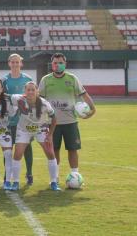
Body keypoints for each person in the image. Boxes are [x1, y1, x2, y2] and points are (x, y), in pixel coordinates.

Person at [38, 52, 96, 183]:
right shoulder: (45, 80)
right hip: (52, 123)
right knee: (54, 150)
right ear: (51, 65)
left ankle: (75, 175)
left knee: (73, 149)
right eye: (55, 63)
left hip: (71, 121)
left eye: (60, 63)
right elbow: (39, 100)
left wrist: (93, 108)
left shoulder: (72, 79)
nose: (58, 65)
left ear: (65, 64)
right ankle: (55, 176)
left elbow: (84, 95)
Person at [10, 82, 60, 191]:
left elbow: (54, 118)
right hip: (24, 130)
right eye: (28, 90)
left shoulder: (44, 104)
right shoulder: (18, 99)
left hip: (40, 129)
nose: (31, 92)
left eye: (33, 90)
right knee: (17, 154)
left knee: (50, 153)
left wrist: (50, 135)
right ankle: (16, 182)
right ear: (25, 91)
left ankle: (54, 182)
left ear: (37, 91)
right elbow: (3, 96)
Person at [2, 54, 34, 185]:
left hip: (25, 119)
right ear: (9, 63)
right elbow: (1, 95)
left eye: (17, 62)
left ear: (21, 63)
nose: (15, 64)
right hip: (9, 119)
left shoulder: (28, 79)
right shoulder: (4, 80)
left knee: (27, 147)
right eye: (12, 62)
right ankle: (7, 174)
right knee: (8, 147)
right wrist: (14, 98)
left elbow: (32, 95)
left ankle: (29, 173)